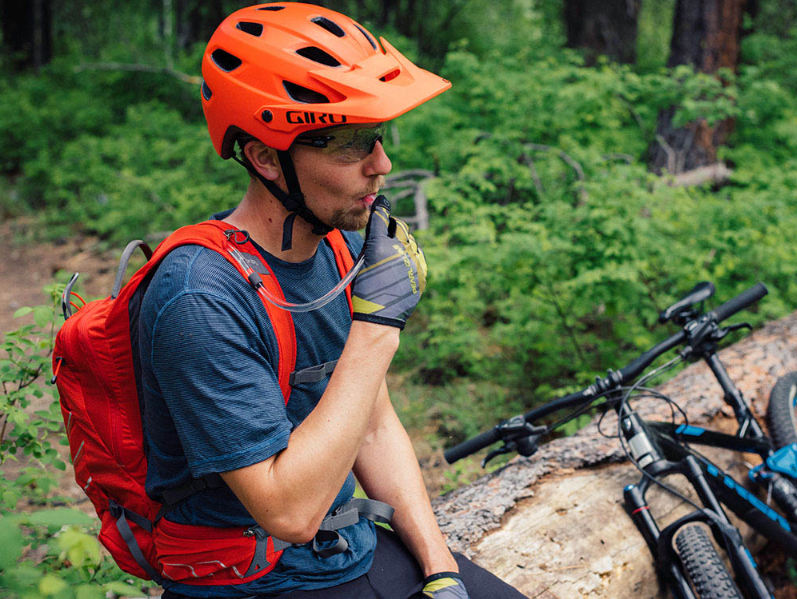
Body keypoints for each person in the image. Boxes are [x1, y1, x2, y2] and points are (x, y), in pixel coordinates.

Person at [137, 4, 526, 599]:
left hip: (347, 551)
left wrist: (440, 568)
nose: (382, 165)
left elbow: (372, 426)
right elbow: (287, 514)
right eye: (348, 145)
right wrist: (378, 328)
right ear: (267, 158)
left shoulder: (342, 248)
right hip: (251, 582)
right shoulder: (200, 296)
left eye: (376, 138)